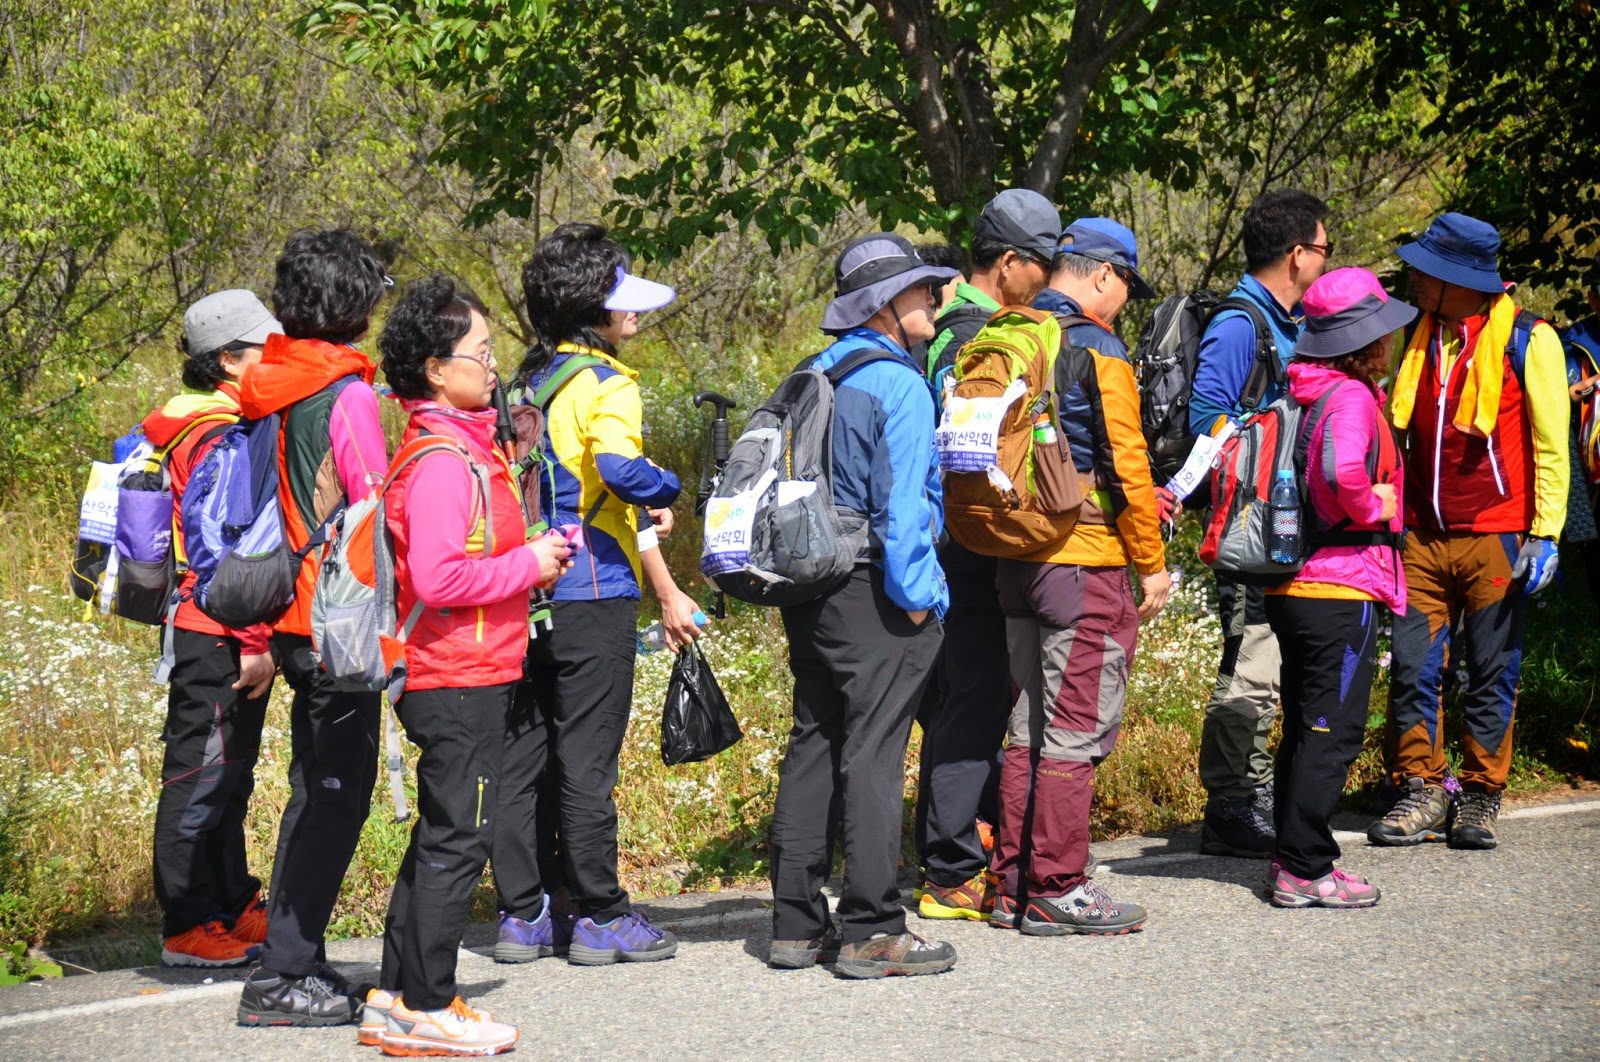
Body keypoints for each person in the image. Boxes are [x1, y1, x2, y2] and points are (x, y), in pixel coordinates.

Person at [358, 277, 573, 1054]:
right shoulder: (446, 460)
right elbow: (442, 580)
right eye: (478, 355)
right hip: (456, 674)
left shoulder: (456, 446)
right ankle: (427, 1005)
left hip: (461, 669)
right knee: (460, 839)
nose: (493, 366)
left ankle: (393, 996)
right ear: (433, 369)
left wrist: (527, 557)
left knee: (441, 833)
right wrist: (532, 562)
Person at [493, 223, 689, 967]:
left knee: (527, 751)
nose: (633, 310)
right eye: (621, 294)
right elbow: (617, 465)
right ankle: (603, 914)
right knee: (587, 758)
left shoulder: (525, 383)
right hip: (595, 586)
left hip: (526, 584)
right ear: (591, 306)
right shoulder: (610, 383)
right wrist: (667, 487)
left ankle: (525, 913)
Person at [767, 234, 957, 977]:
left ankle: (793, 925)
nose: (935, 302)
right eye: (921, 291)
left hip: (809, 582)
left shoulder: (814, 370)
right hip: (876, 588)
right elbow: (903, 512)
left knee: (814, 738)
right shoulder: (900, 383)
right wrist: (921, 601)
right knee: (874, 751)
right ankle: (873, 928)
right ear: (885, 305)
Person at [987, 218, 1169, 936]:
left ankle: (1010, 886)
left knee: (1027, 726)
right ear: (1101, 275)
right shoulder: (1098, 346)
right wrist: (1150, 564)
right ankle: (1058, 885)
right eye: (1125, 286)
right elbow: (1128, 465)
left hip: (1015, 558)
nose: (1123, 301)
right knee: (1073, 731)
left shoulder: (1009, 333)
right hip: (1085, 560)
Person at [1370, 213, 1570, 850]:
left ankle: (1481, 795)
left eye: (1425, 272)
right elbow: (1397, 428)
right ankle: (1422, 788)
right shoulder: (1419, 334)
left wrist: (1547, 532)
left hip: (1497, 532)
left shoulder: (1529, 340)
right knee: (1412, 668)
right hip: (1421, 534)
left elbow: (1550, 444)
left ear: (1459, 279)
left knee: (1491, 668)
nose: (1414, 280)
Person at [237, 230, 392, 1026]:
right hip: (336, 621)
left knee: (317, 789)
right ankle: (280, 977)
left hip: (285, 614)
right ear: (354, 304)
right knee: (333, 797)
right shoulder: (348, 393)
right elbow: (370, 513)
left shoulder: (272, 381)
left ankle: (300, 955)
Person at [914, 189, 1061, 922]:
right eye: (1041, 265)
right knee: (971, 705)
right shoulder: (980, 334)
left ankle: (951, 847)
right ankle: (950, 869)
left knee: (960, 703)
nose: (1048, 282)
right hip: (970, 547)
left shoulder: (943, 329)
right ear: (1009, 263)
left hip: (950, 544)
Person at [1187, 189, 1332, 859]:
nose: (1326, 263)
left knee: (1271, 663)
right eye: (1324, 250)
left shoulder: (1285, 319)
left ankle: (1253, 793)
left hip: (1283, 527)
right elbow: (1205, 424)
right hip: (1250, 527)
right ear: (1297, 253)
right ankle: (1233, 804)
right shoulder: (1241, 322)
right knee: (1251, 663)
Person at [1263, 267, 1414, 908]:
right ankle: (1306, 868)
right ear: (1367, 342)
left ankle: (1291, 855)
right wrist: (1374, 505)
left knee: (1304, 725)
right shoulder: (1350, 397)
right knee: (1334, 731)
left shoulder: (1301, 388)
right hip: (1339, 586)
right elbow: (1340, 470)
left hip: (1296, 584)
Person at [148, 291, 279, 968]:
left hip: (214, 627)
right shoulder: (218, 432)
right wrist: (256, 641)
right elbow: (218, 548)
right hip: (217, 629)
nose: (276, 355)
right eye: (265, 347)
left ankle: (231, 905)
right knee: (199, 777)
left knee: (228, 777)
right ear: (229, 360)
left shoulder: (211, 421)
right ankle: (187, 924)